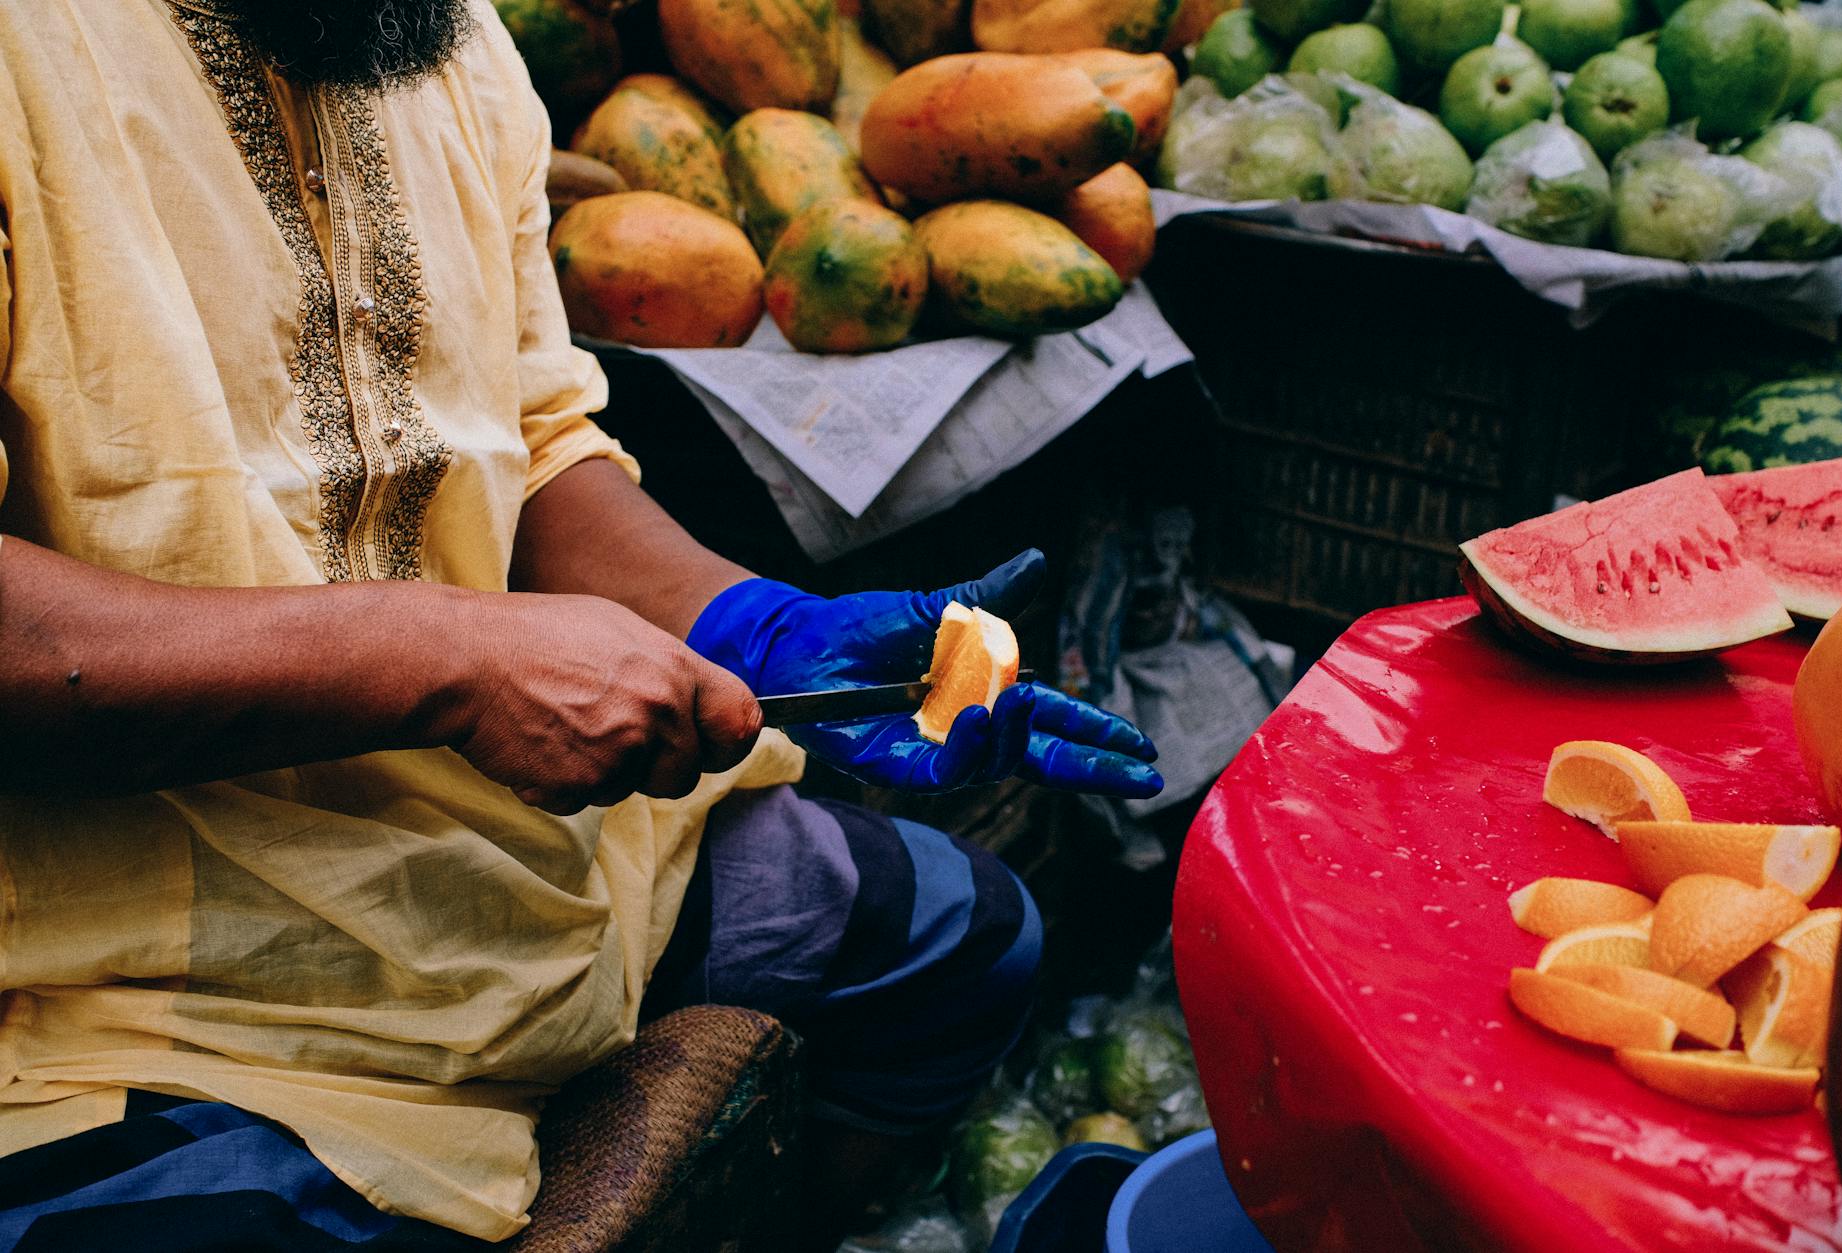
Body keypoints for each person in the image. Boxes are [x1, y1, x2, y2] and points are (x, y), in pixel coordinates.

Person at [0, 2, 1163, 1248]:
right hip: (110, 964)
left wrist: (758, 627)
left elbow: (537, 440)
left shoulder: (451, 43)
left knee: (964, 937)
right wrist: (442, 660)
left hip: (503, 859)